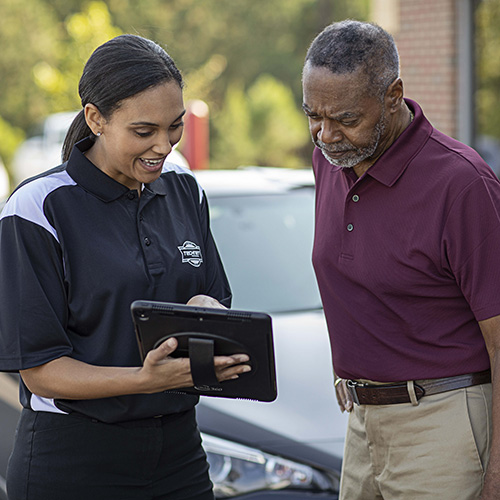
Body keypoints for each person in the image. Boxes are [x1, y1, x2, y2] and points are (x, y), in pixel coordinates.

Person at [0, 34, 251, 500]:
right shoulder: (36, 208)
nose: (164, 145)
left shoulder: (184, 190)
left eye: (174, 126)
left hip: (179, 453)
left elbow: (216, 300)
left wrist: (206, 307)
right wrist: (143, 379)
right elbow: (39, 369)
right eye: (143, 131)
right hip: (74, 460)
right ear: (95, 118)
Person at [302, 20, 500, 500]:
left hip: (443, 424)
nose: (326, 134)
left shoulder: (463, 185)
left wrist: (496, 477)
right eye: (313, 115)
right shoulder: (330, 160)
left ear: (393, 95)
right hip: (361, 421)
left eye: (346, 118)